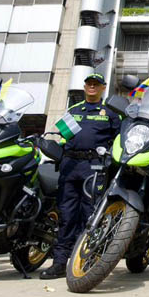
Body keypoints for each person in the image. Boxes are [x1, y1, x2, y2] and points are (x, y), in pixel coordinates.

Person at [40, 72, 122, 280]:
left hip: (93, 167)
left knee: (90, 215)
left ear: (103, 88)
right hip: (69, 165)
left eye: (96, 84)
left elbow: (118, 142)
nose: (92, 87)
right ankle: (59, 262)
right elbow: (62, 137)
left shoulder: (110, 113)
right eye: (89, 84)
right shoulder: (74, 110)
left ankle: (85, 260)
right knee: (66, 216)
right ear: (85, 87)